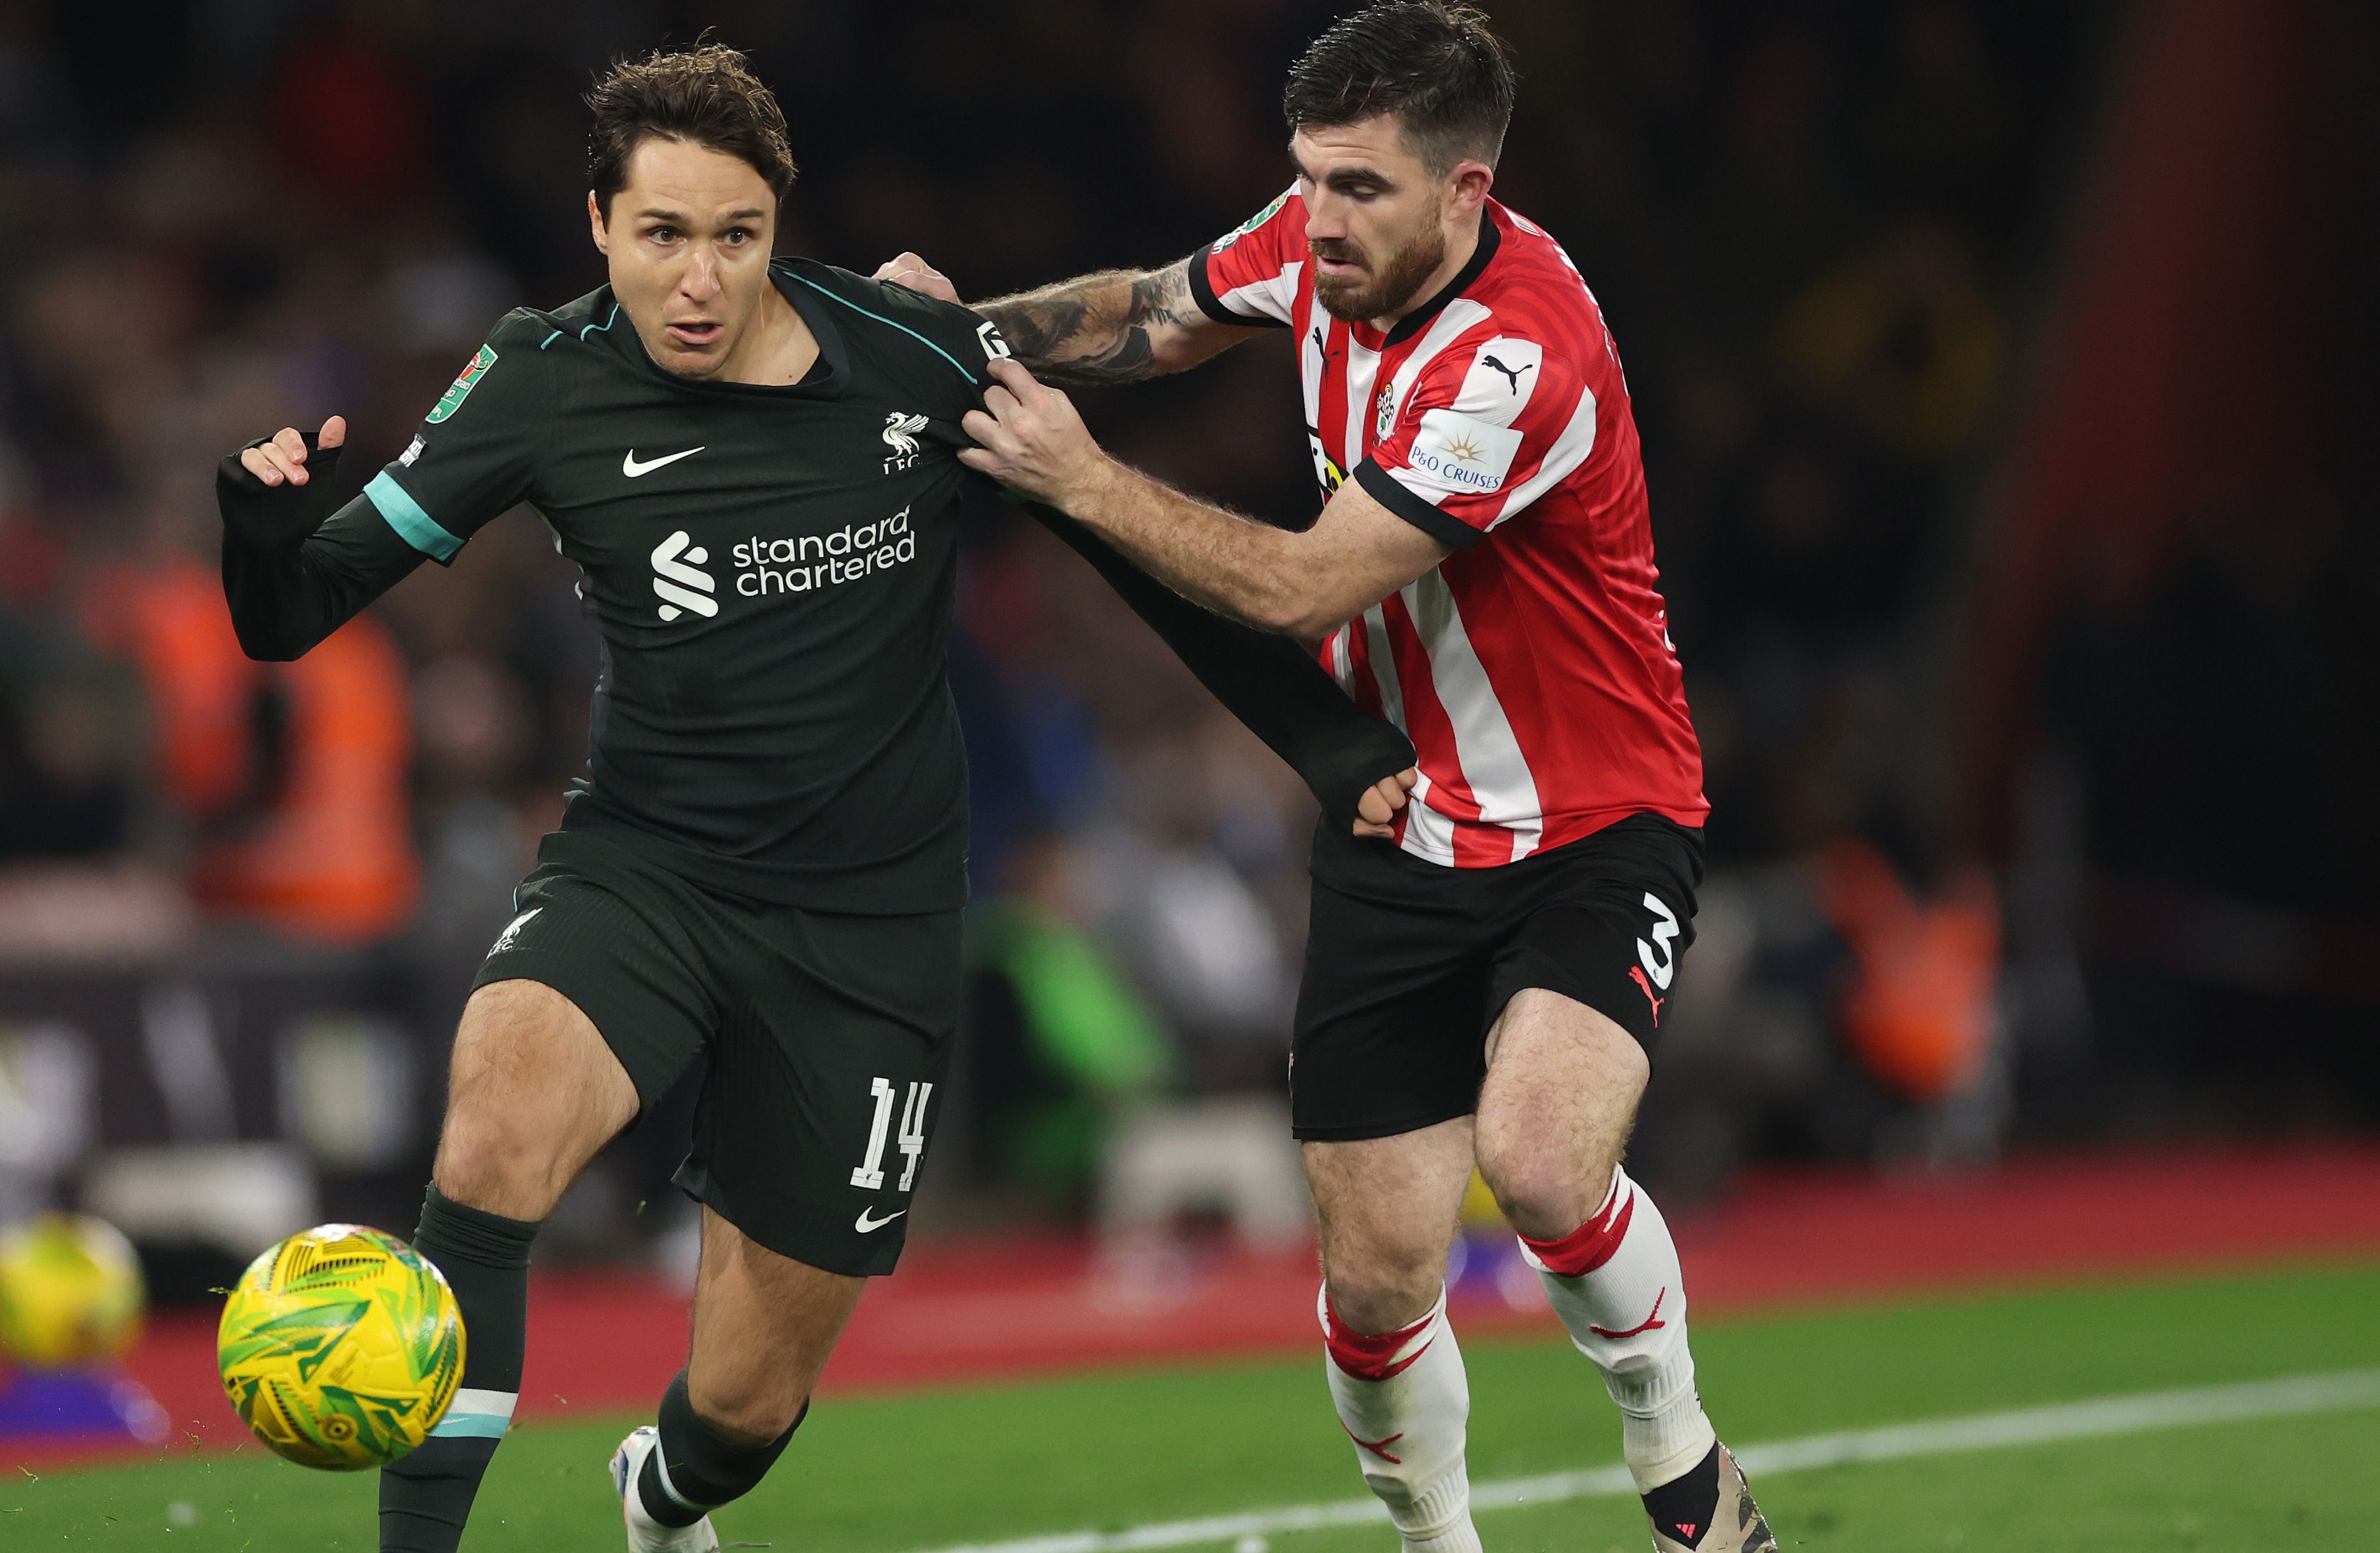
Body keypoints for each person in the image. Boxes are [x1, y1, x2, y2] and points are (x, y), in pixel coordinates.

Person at [216, 45, 1412, 1553]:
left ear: (779, 228)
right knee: (492, 1134)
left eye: (735, 235)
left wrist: (1322, 744)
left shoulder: (911, 355)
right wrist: (259, 534)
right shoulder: (537, 376)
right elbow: (292, 610)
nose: (700, 276)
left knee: (743, 1408)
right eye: (662, 235)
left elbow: (1122, 559)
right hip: (643, 874)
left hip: (868, 929)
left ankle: (662, 1498)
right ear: (599, 225)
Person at [878, 5, 1773, 1550]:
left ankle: (1676, 1452)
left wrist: (1081, 479)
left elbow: (1305, 590)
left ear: (1465, 192)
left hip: (1594, 814)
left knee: (1544, 1161)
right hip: (1396, 816)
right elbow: (1155, 311)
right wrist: (959, 333)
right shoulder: (1313, 236)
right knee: (1371, 1280)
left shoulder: (1515, 357)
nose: (1321, 216)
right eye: (1308, 177)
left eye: (1361, 186)